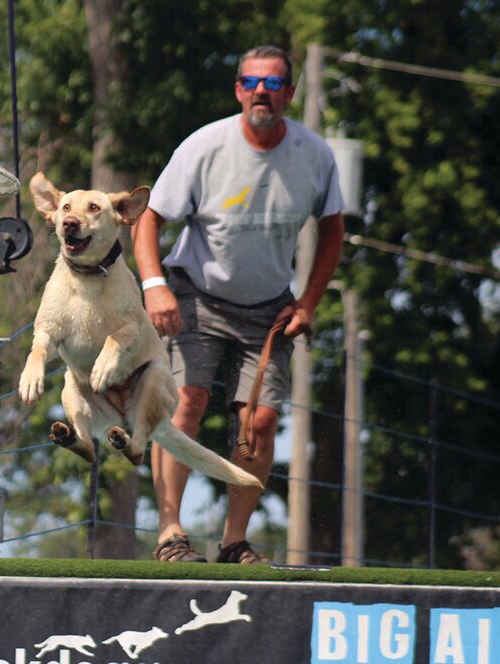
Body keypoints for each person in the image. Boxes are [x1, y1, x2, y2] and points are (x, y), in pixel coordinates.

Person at [132, 45, 345, 564]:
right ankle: (171, 532)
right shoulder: (204, 148)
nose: (261, 93)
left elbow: (333, 227)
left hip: (267, 306)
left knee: (262, 421)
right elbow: (149, 219)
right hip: (196, 294)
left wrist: (309, 303)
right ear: (238, 90)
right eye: (251, 83)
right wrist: (154, 285)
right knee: (186, 404)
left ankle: (233, 542)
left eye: (273, 85)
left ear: (289, 94)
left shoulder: (314, 155)